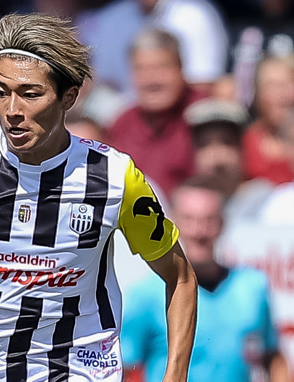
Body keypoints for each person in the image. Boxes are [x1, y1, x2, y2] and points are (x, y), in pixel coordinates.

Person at [0, 13, 198, 381]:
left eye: (30, 94)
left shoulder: (114, 177)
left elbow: (181, 277)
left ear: (68, 97)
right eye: (0, 91)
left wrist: (175, 374)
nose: (12, 111)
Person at [121, 177, 290, 382]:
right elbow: (124, 368)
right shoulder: (146, 294)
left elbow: (274, 357)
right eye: (189, 220)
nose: (199, 231)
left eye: (209, 220)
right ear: (172, 223)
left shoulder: (252, 286)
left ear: (223, 223)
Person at [108, 28, 207, 196]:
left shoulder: (206, 116)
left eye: (161, 67)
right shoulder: (122, 123)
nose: (151, 80)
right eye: (141, 69)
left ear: (180, 68)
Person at [83, 0, 228, 96]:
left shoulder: (197, 14)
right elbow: (98, 81)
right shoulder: (109, 17)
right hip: (121, 115)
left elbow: (202, 85)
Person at [184, 98, 275, 220]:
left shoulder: (265, 200)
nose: (217, 157)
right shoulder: (184, 203)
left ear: (242, 147)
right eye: (205, 144)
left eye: (226, 142)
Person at [242, 56, 294, 184]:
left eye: (290, 84)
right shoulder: (246, 143)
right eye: (276, 86)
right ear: (258, 94)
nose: (286, 95)